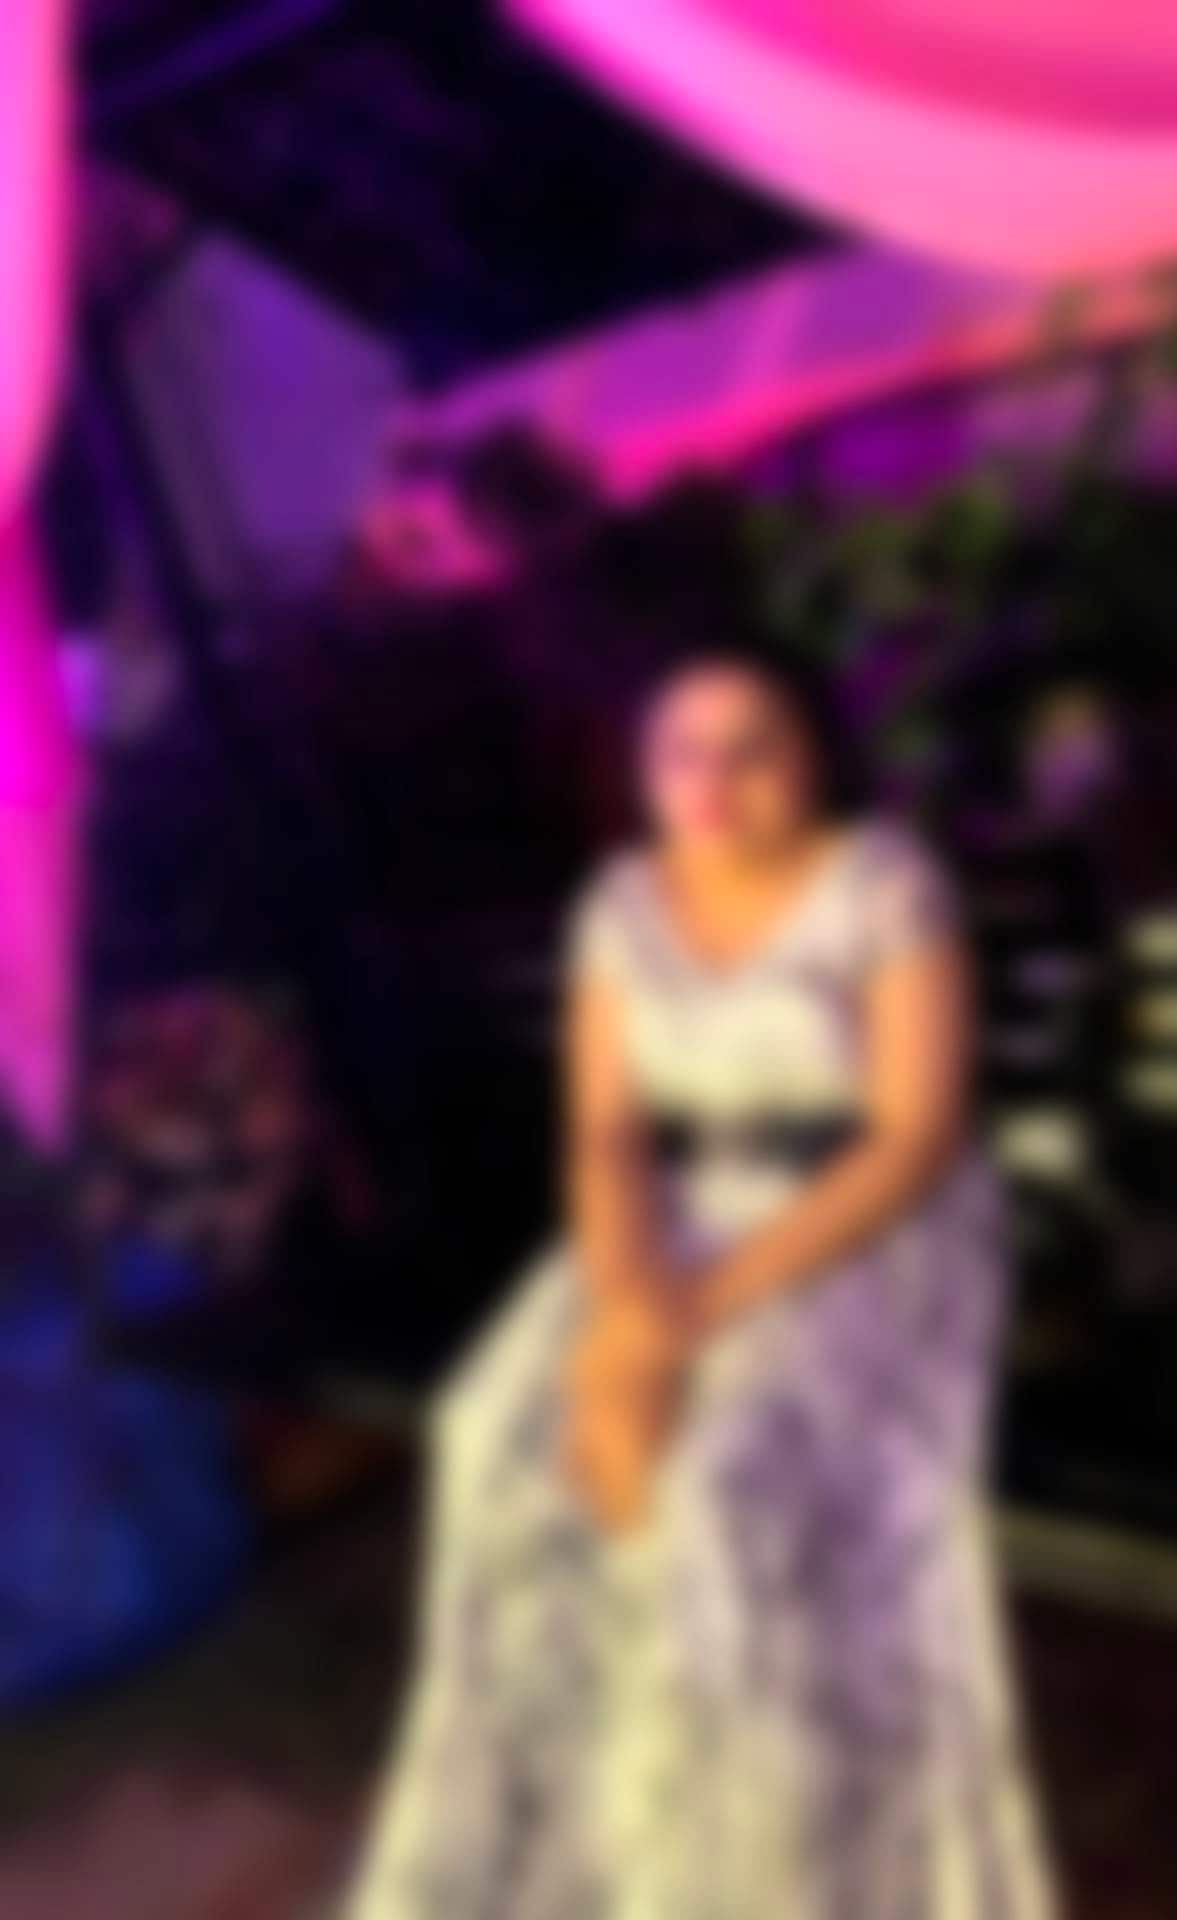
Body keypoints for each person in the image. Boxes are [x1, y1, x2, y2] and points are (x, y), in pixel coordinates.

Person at [348, 645, 1057, 1919]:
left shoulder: (886, 883)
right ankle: (615, 1834)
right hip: (676, 1216)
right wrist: (631, 1309)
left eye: (752, 748)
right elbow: (606, 1131)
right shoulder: (620, 903)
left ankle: (769, 1864)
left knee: (720, 1477)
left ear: (814, 753)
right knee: (494, 1435)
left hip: (867, 1222)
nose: (713, 783)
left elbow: (915, 1138)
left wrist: (686, 1321)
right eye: (680, 753)